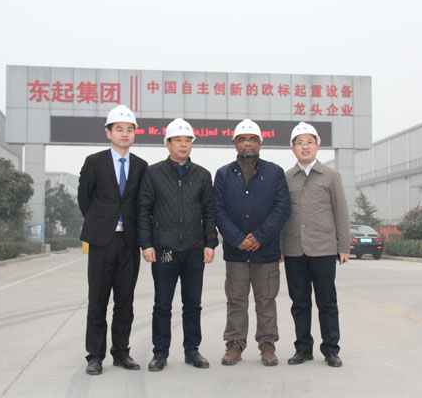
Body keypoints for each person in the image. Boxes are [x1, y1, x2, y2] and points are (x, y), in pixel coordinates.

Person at [137, 118, 218, 372]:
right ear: (168, 143)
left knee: (193, 304)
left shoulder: (202, 175)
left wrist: (210, 243)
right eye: (178, 140)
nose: (183, 145)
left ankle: (192, 350)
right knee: (162, 304)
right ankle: (160, 352)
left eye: (187, 140)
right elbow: (144, 210)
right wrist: (146, 244)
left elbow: (209, 212)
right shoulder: (153, 173)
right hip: (165, 250)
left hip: (194, 250)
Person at [214, 119, 291, 366]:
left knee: (266, 300)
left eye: (252, 139)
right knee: (236, 300)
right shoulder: (223, 174)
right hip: (236, 252)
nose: (247, 143)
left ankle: (267, 345)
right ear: (235, 144)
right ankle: (234, 345)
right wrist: (237, 239)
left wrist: (259, 236)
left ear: (260, 143)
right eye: (242, 139)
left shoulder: (275, 173)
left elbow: (282, 208)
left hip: (265, 251)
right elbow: (218, 210)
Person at [78, 104, 148, 375]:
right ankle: (95, 356)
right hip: (102, 241)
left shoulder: (141, 166)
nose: (124, 134)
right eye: (119, 129)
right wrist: (101, 223)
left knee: (125, 302)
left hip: (129, 242)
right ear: (109, 133)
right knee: (97, 300)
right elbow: (85, 199)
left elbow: (142, 204)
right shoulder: (94, 162)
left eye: (129, 129)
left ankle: (121, 353)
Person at [280, 121, 350, 368]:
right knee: (299, 303)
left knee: (327, 302)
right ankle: (303, 349)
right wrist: (280, 248)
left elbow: (341, 212)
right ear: (293, 148)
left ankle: (331, 349)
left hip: (323, 249)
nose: (305, 147)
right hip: (294, 250)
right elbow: (281, 214)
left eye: (310, 142)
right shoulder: (286, 178)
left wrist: (344, 246)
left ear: (317, 146)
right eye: (300, 143)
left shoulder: (331, 176)